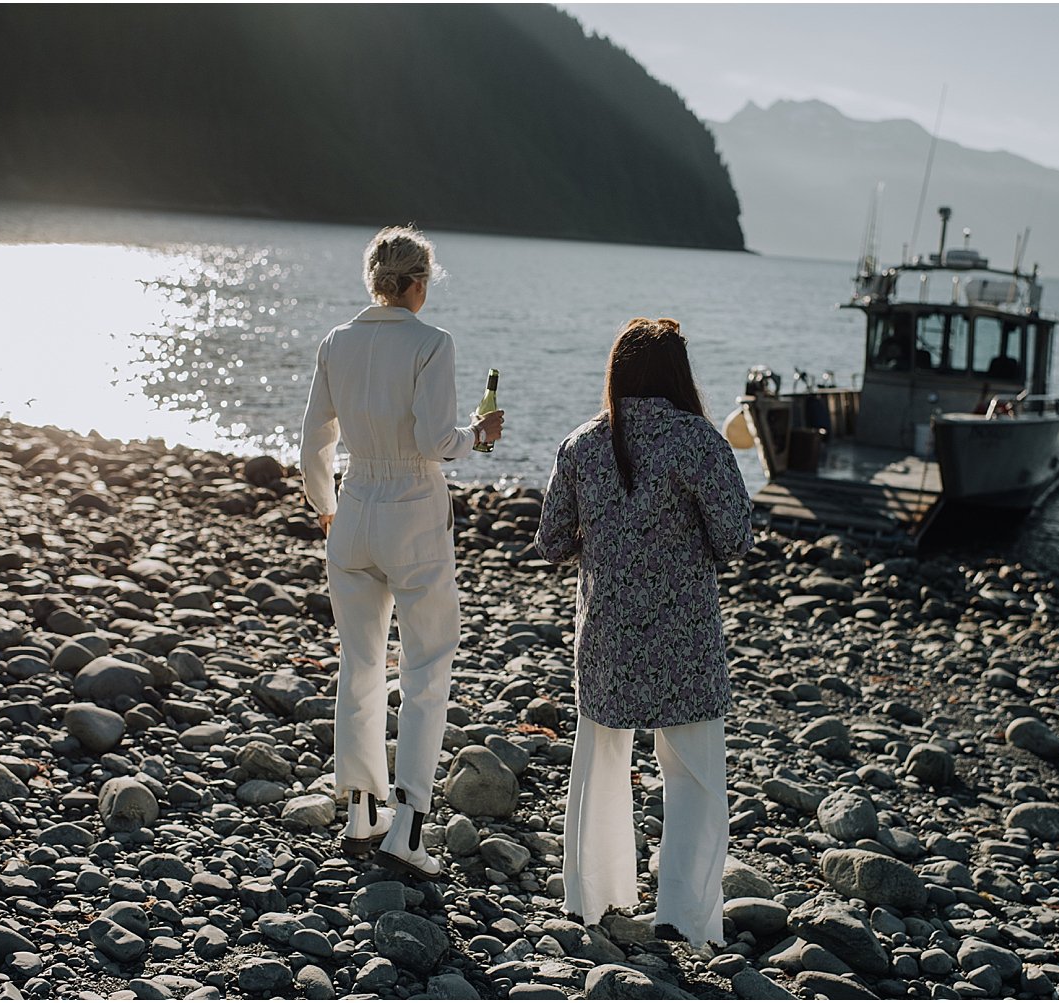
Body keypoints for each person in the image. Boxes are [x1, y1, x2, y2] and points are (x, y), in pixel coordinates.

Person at [535, 317, 753, 947]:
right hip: (683, 639)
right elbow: (735, 538)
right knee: (695, 781)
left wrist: (606, 540)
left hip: (606, 635)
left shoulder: (582, 445)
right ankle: (684, 920)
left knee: (599, 766)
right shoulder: (699, 442)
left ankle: (594, 897)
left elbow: (552, 542)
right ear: (678, 375)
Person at [300, 225, 503, 880]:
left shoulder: (337, 341)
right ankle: (409, 828)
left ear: (374, 281)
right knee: (426, 670)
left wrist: (327, 506)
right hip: (414, 515)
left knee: (359, 666)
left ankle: (363, 813)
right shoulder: (431, 343)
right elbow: (436, 438)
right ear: (417, 284)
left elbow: (313, 447)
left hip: (353, 508)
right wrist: (479, 434)